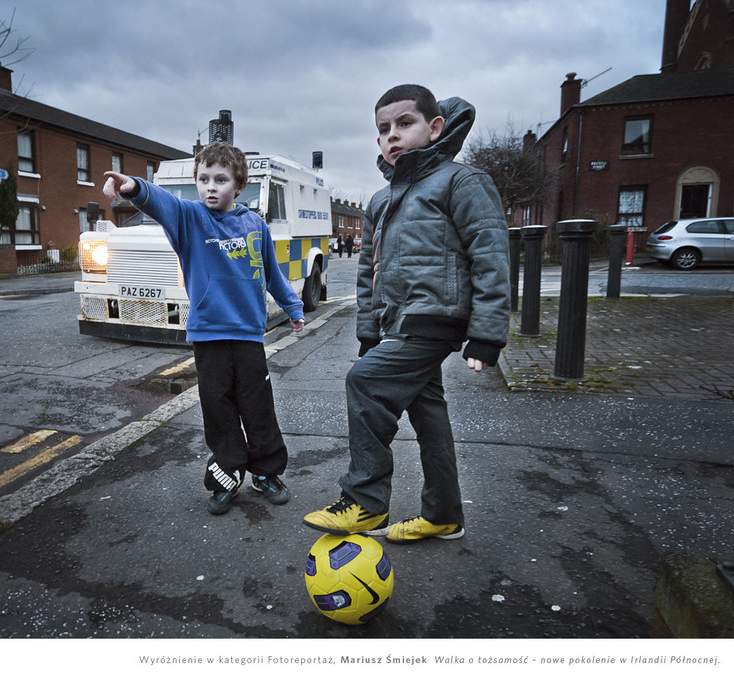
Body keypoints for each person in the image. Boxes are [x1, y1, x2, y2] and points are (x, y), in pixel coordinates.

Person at [303, 84, 510, 544]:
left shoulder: (462, 181)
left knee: (364, 380)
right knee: (428, 412)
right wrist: (368, 329)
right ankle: (444, 515)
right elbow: (367, 270)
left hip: (436, 317)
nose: (392, 136)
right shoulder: (380, 200)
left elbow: (491, 255)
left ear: (434, 127)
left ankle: (365, 502)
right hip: (397, 321)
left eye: (404, 123)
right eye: (383, 129)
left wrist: (488, 333)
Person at [103, 142, 305, 516]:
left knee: (258, 408)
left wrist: (293, 306)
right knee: (219, 411)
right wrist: (132, 187)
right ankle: (227, 477)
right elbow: (162, 202)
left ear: (239, 185)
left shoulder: (255, 225)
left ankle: (266, 473)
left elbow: (272, 274)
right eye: (203, 179)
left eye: (221, 179)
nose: (210, 186)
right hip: (209, 336)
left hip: (247, 337)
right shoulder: (190, 220)